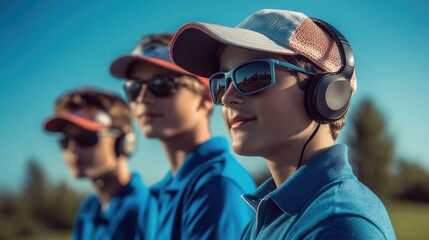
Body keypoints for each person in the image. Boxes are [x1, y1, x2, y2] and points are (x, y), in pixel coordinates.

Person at [170, 9, 396, 239]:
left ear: (327, 93)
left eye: (253, 75)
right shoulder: (266, 216)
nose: (227, 97)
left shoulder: (341, 224)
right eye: (221, 81)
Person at [110, 33, 256, 239]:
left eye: (162, 85)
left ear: (205, 98)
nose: (143, 98)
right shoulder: (159, 192)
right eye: (134, 88)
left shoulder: (218, 186)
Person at [43, 87, 156, 240]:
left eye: (86, 138)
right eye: (65, 141)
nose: (72, 149)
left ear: (123, 142)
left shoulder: (145, 211)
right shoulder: (88, 210)